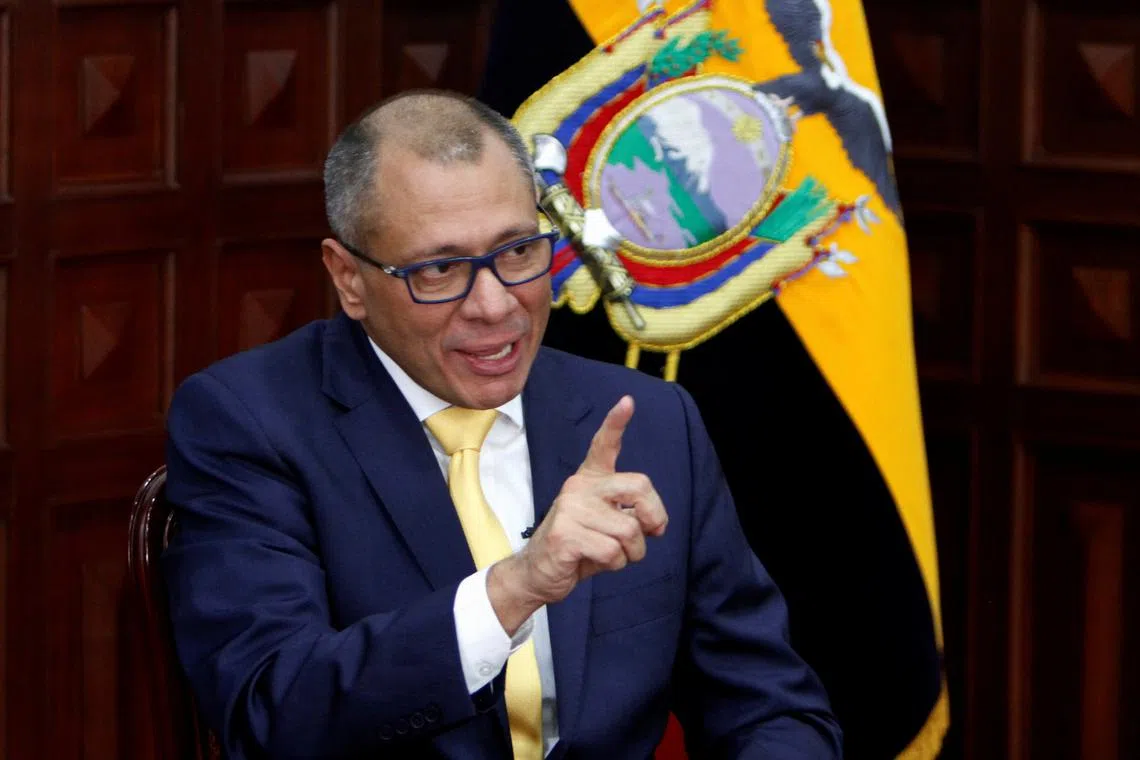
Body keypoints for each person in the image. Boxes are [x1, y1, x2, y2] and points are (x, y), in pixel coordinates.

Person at [162, 90, 841, 759]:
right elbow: (272, 709)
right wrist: (515, 589)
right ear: (349, 279)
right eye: (440, 269)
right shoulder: (249, 422)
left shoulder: (649, 421)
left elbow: (769, 706)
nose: (494, 306)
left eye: (517, 252)